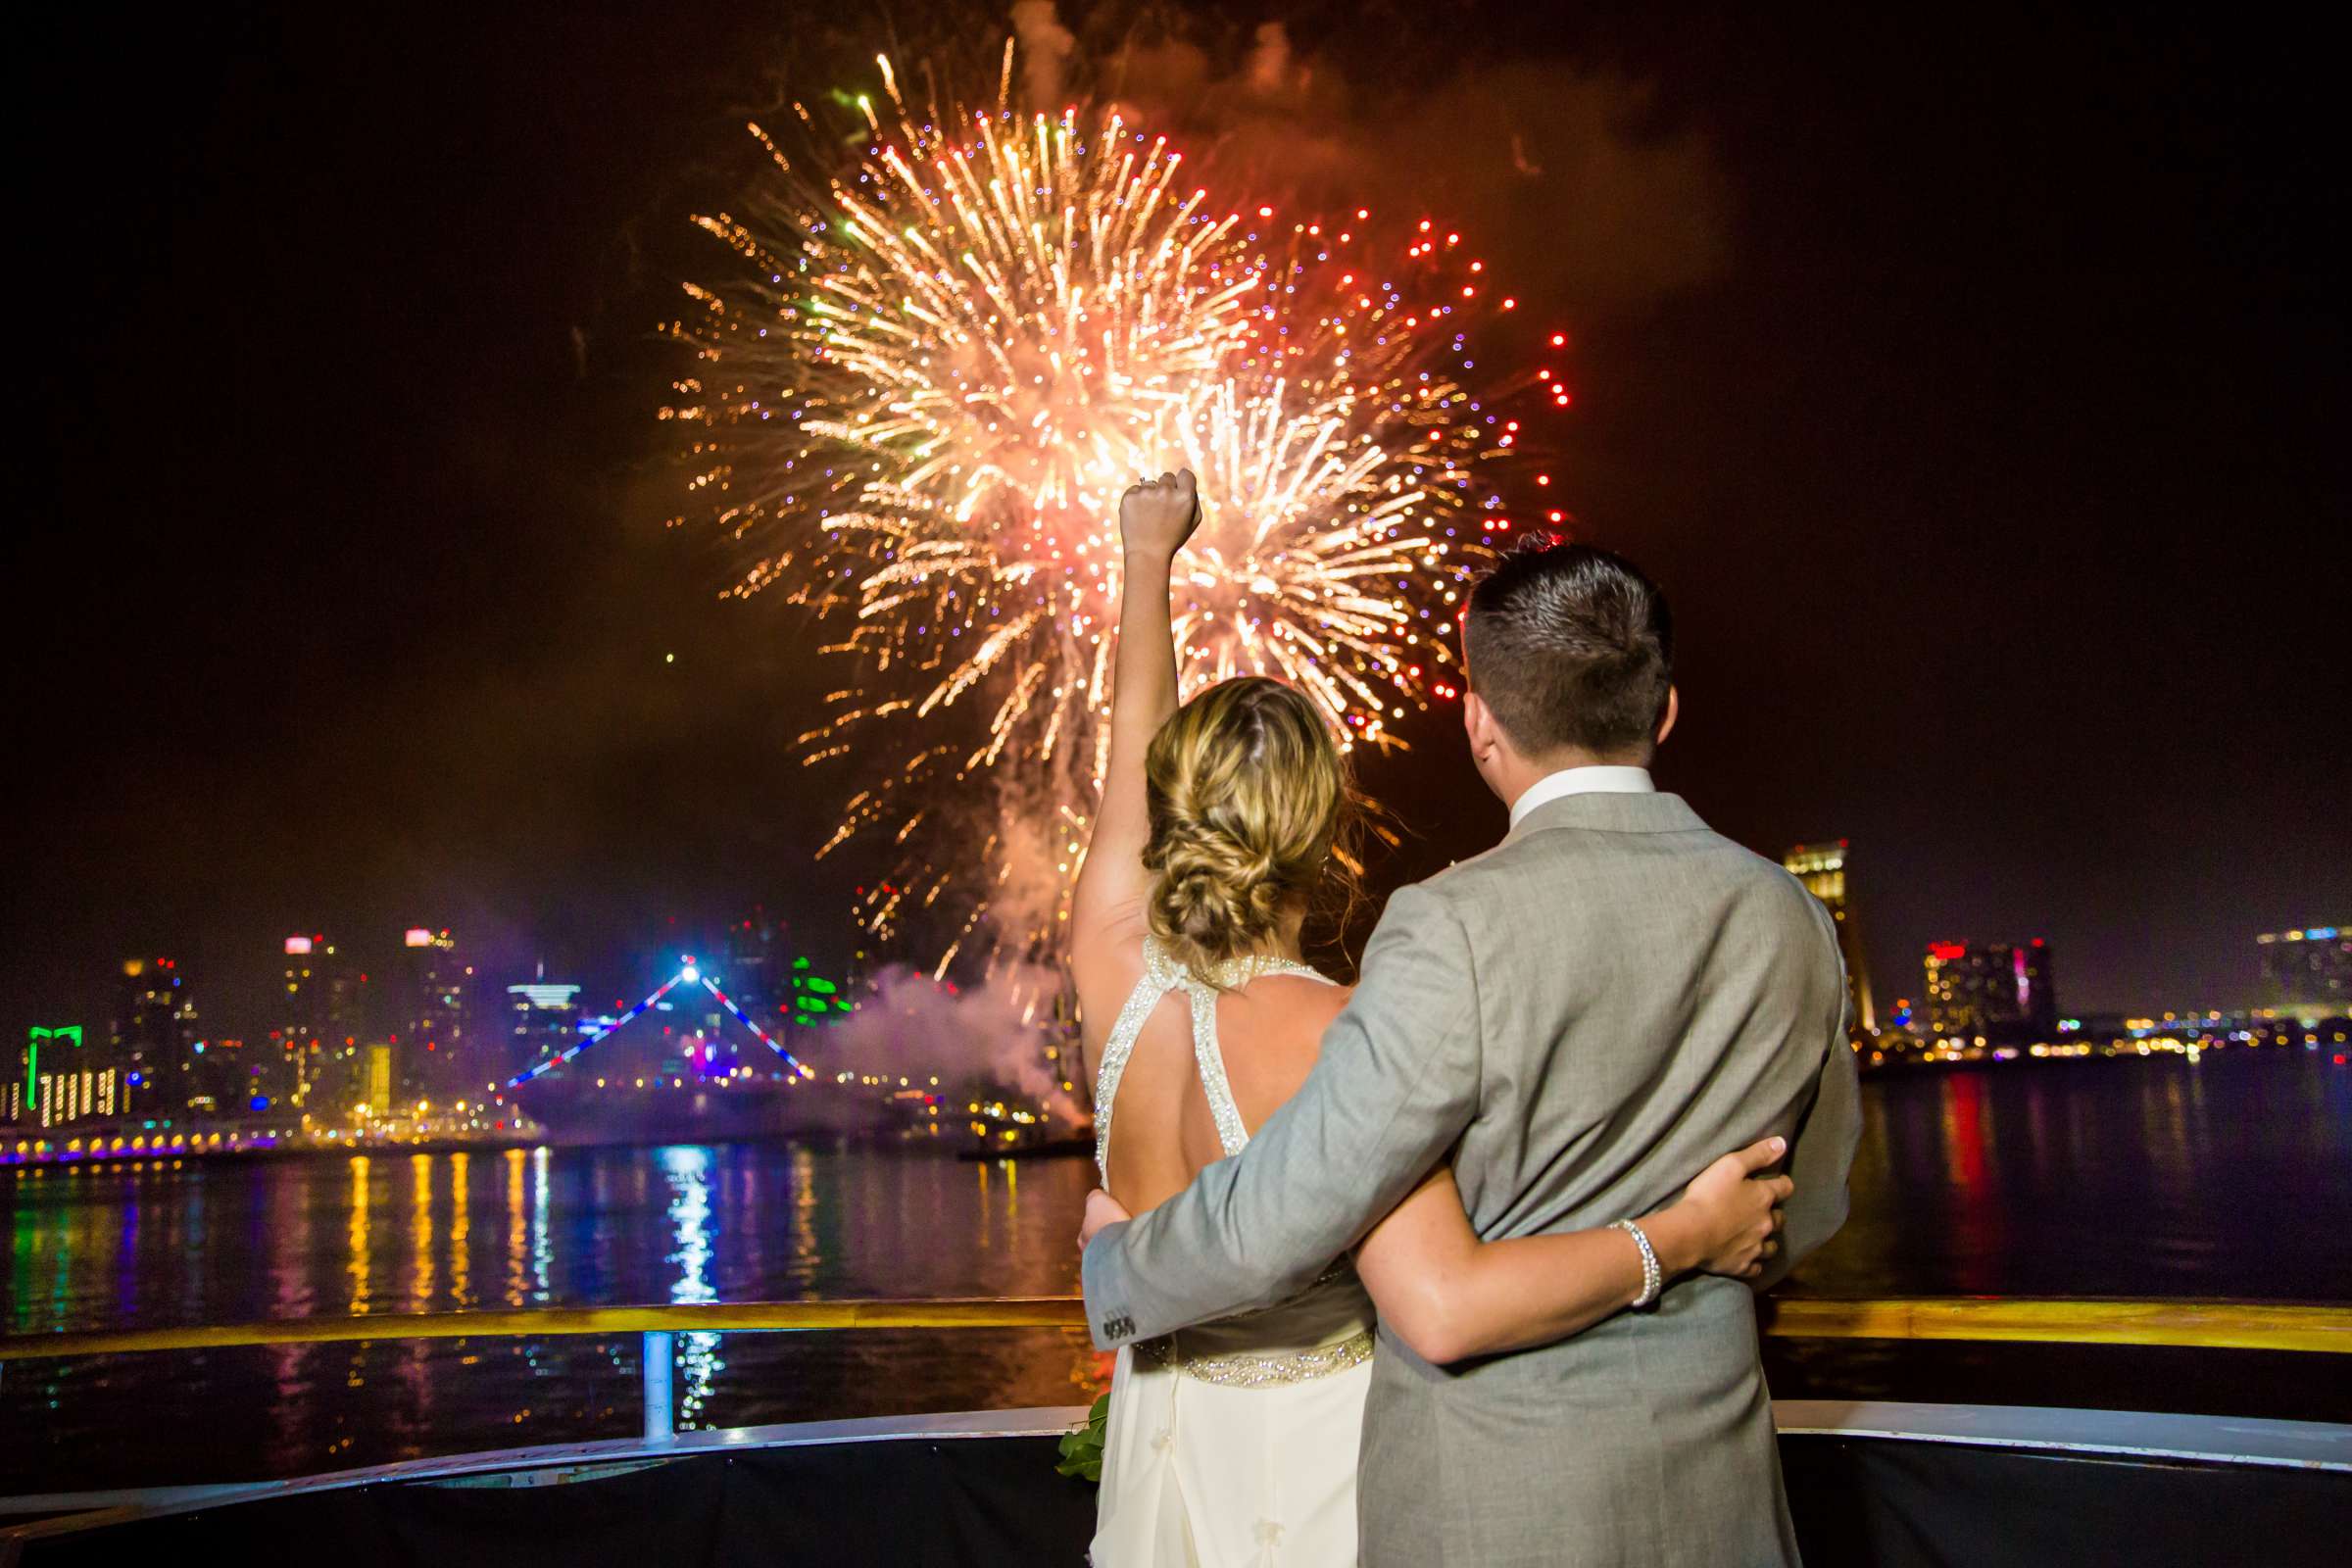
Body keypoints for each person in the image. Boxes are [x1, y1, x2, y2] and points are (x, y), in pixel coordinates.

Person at [1071, 469, 1826, 1567]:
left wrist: (1147, 561)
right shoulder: (1793, 916)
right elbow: (1443, 1295)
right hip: (1323, 1476)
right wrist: (1688, 1233)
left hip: (1166, 1455)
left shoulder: (1109, 967)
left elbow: (1128, 759)